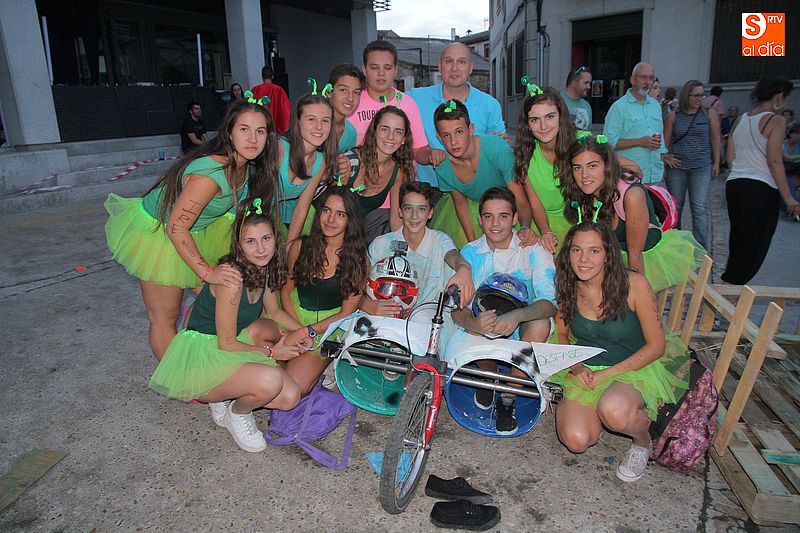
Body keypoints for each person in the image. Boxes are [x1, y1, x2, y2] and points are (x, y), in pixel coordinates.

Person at [105, 98, 281, 359]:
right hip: (159, 233)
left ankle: (198, 352)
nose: (252, 139)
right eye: (244, 129)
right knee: (165, 316)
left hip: (196, 231)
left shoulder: (248, 168)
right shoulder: (210, 176)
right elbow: (176, 228)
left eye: (260, 131)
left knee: (218, 301)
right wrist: (208, 272)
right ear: (229, 133)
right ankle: (175, 377)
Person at [149, 200, 309, 453]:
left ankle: (227, 391)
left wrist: (306, 331)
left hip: (230, 343)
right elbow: (227, 344)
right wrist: (272, 352)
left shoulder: (265, 267)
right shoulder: (232, 280)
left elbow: (275, 311)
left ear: (275, 239)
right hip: (205, 353)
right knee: (270, 381)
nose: (260, 249)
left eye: (266, 239)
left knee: (290, 397)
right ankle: (237, 412)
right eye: (250, 241)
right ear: (239, 245)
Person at [549, 222, 690, 482]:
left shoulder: (633, 284)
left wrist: (607, 375)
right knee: (576, 440)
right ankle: (601, 414)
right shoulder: (569, 284)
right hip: (588, 368)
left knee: (613, 410)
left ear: (608, 255)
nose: (583, 259)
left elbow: (656, 346)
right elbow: (561, 334)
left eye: (594, 251)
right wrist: (577, 367)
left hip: (635, 365)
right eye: (577, 250)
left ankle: (642, 441)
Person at [451, 186, 556, 435]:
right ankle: (489, 375)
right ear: (480, 219)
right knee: (471, 321)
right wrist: (473, 324)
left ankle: (509, 394)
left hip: (522, 325)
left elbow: (549, 304)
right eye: (488, 216)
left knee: (540, 323)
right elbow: (456, 308)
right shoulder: (470, 253)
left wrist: (517, 315)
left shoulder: (533, 249)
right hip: (483, 326)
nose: (495, 224)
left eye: (503, 216)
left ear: (515, 218)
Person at [562, 133, 703, 292]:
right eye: (577, 168)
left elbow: (635, 255)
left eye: (592, 166)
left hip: (641, 258)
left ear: (607, 165)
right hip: (609, 256)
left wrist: (636, 299)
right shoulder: (582, 193)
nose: (584, 175)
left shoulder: (632, 195)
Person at [280, 187, 368, 395]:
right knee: (262, 359)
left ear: (350, 220)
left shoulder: (359, 261)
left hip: (330, 325)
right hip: (292, 314)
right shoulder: (300, 246)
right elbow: (286, 291)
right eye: (326, 210)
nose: (330, 220)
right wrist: (297, 329)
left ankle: (322, 366)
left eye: (340, 214)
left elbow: (345, 312)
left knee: (294, 388)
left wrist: (307, 332)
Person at [723, 78, 800, 284]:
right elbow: (774, 160)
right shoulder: (777, 121)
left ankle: (730, 284)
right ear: (779, 95)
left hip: (736, 183)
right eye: (787, 98)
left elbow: (730, 157)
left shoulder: (741, 119)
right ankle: (731, 286)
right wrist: (789, 198)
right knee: (755, 242)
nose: (787, 102)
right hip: (760, 187)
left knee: (739, 239)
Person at [428, 99, 528, 249]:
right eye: (446, 135)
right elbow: (460, 204)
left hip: (504, 206)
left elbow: (519, 197)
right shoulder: (443, 166)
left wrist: (525, 227)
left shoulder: (496, 148)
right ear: (438, 136)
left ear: (471, 129)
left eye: (459, 132)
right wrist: (472, 243)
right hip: (469, 213)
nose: (453, 142)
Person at [365, 181, 475, 315]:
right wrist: (367, 305)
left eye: (421, 209)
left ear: (430, 213)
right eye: (408, 208)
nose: (414, 216)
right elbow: (358, 284)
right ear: (400, 211)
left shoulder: (439, 240)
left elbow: (453, 256)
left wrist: (464, 268)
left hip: (429, 319)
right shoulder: (381, 244)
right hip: (387, 318)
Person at [409, 42, 507, 186]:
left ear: (471, 68)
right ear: (440, 66)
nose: (454, 68)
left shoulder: (490, 105)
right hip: (429, 190)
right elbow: (387, 101)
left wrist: (500, 141)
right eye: (449, 61)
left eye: (461, 62)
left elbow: (500, 147)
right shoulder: (415, 98)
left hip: (477, 188)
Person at [348, 40, 432, 164]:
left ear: (395, 70)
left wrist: (432, 156)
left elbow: (418, 150)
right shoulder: (352, 102)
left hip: (402, 175)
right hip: (360, 175)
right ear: (364, 69)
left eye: (387, 68)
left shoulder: (408, 104)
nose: (381, 73)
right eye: (374, 67)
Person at [340, 106, 415, 241]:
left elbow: (396, 220)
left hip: (355, 235)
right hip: (327, 228)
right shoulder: (350, 162)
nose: (390, 137)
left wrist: (402, 248)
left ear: (404, 138)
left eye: (398, 132)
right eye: (385, 129)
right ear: (374, 131)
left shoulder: (398, 172)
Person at [664, 80, 721, 249]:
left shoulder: (709, 114)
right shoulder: (674, 116)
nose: (699, 98)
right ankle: (676, 245)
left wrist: (717, 162)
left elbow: (716, 138)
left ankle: (701, 249)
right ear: (686, 95)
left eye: (702, 95)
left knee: (699, 207)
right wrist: (665, 158)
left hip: (701, 166)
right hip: (677, 167)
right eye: (695, 95)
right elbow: (665, 142)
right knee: (676, 207)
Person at [604, 62, 676, 185]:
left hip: (655, 176)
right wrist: (640, 142)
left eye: (651, 78)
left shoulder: (655, 106)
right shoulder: (619, 107)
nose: (647, 82)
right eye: (643, 77)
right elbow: (608, 143)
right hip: (630, 177)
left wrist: (662, 159)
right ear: (632, 80)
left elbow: (660, 140)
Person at [278, 93, 338, 243]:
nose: (319, 127)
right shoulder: (279, 149)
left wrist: (289, 247)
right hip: (240, 215)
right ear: (298, 121)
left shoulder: (320, 160)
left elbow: (302, 207)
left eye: (325, 121)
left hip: (271, 219)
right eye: (311, 119)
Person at [325, 64, 366, 153]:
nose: (351, 98)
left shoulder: (351, 131)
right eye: (343, 90)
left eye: (356, 93)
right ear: (329, 92)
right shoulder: (315, 124)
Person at [251, 66, 292, 134]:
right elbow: (286, 110)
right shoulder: (279, 90)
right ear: (272, 76)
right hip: (275, 130)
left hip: (258, 129)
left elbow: (249, 109)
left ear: (262, 76)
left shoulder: (255, 90)